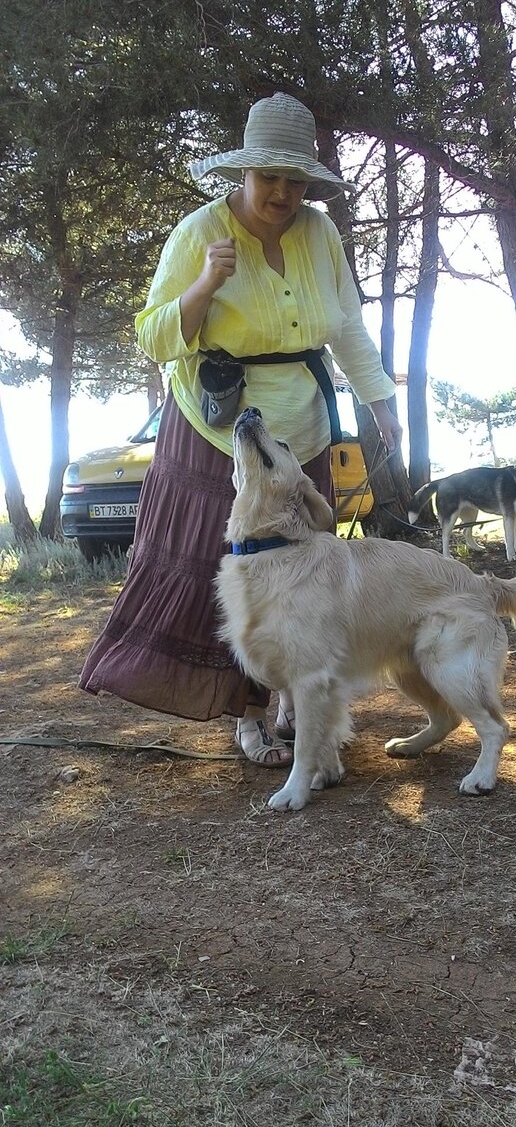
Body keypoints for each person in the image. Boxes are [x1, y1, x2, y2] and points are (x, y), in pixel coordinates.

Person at [79, 92, 402, 764]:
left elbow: (344, 326)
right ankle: (243, 715)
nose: (282, 191)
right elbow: (153, 338)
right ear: (242, 175)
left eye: (294, 178)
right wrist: (203, 284)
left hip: (302, 432)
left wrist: (380, 403)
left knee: (302, 574)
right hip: (215, 432)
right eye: (268, 177)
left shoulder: (319, 233)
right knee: (219, 571)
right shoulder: (200, 231)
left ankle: (290, 703)